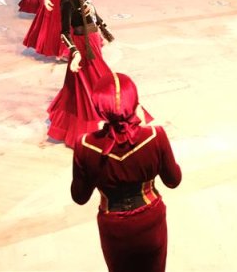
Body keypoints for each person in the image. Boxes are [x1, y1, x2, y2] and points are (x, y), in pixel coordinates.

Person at [71, 72, 181, 272]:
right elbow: (173, 180)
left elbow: (79, 197)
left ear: (98, 108)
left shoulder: (85, 145)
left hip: (114, 227)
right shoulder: (156, 136)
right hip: (151, 221)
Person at [47, 0, 121, 147]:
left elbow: (92, 11)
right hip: (83, 45)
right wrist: (76, 53)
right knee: (98, 80)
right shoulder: (66, 0)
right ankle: (111, 116)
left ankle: (72, 121)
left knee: (82, 85)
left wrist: (103, 29)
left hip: (93, 40)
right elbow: (64, 32)